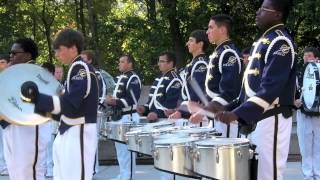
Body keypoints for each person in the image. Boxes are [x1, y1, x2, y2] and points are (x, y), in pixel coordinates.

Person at [207, 0, 296, 179]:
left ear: (277, 14)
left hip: (272, 117)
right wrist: (226, 108)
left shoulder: (281, 41)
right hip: (257, 119)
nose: (257, 12)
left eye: (263, 9)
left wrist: (237, 114)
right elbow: (248, 90)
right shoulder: (264, 40)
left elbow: (271, 89)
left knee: (267, 174)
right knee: (254, 174)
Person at [21, 28, 99, 179]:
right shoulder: (74, 69)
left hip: (78, 132)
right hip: (69, 131)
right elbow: (65, 111)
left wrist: (37, 98)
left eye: (59, 50)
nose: (56, 54)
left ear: (73, 48)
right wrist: (36, 105)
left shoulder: (81, 68)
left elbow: (69, 106)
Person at [1, 38, 48, 180]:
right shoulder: (18, 72)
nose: (11, 56)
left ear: (28, 55)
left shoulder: (35, 73)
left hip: (28, 131)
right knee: (16, 171)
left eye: (15, 53)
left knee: (28, 172)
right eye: (10, 53)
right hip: (13, 128)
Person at [190, 14, 242, 138]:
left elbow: (229, 92)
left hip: (226, 116)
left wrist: (203, 111)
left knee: (226, 157)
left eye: (210, 27)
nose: (207, 32)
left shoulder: (228, 53)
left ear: (223, 30)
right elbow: (214, 89)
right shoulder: (219, 52)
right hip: (216, 116)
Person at [105, 54, 141, 180]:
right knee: (120, 151)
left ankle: (128, 177)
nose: (119, 64)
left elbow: (132, 100)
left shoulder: (133, 78)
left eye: (122, 61)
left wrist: (114, 101)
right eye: (119, 61)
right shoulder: (120, 78)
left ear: (130, 64)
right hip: (118, 117)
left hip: (128, 117)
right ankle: (123, 174)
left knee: (128, 152)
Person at [168, 30, 209, 125]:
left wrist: (181, 112)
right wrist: (178, 109)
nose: (187, 44)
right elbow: (185, 93)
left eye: (191, 41)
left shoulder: (201, 64)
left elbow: (196, 94)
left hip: (198, 117)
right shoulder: (193, 64)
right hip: (190, 114)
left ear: (200, 44)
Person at [295, 47, 320, 180]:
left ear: (316, 58)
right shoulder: (300, 73)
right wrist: (295, 101)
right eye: (305, 56)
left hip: (318, 116)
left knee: (318, 147)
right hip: (303, 114)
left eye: (309, 56)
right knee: (305, 148)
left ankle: (318, 174)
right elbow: (294, 91)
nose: (306, 58)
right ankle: (308, 176)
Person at [137, 52, 182, 121]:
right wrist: (144, 108)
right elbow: (152, 102)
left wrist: (156, 114)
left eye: (162, 61)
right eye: (159, 61)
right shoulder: (158, 79)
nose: (158, 64)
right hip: (152, 118)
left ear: (170, 63)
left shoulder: (175, 80)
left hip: (166, 120)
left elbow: (171, 104)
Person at [0, 54, 9, 176]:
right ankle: (2, 166)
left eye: (2, 62)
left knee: (6, 140)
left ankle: (6, 165)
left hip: (8, 115)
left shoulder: (12, 77)